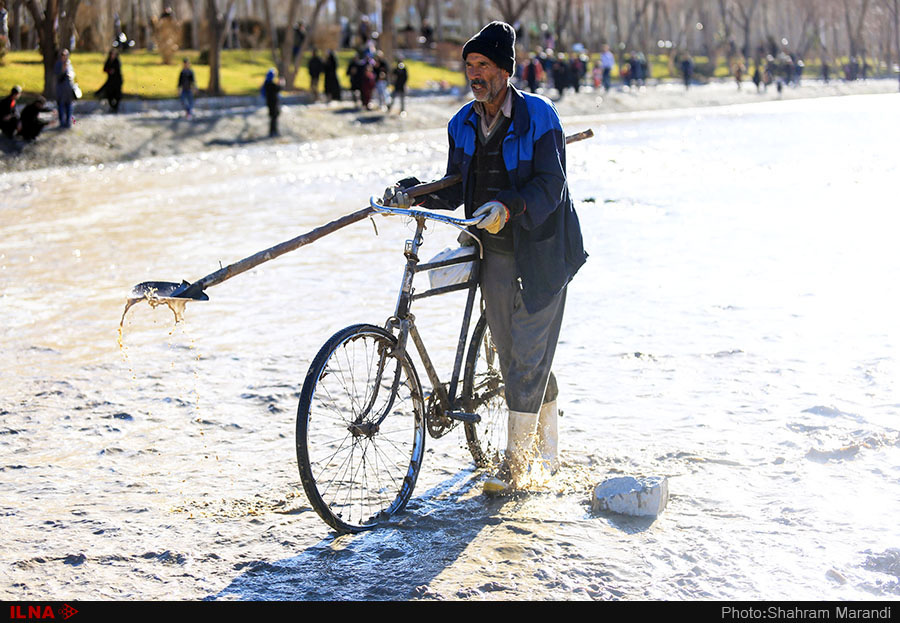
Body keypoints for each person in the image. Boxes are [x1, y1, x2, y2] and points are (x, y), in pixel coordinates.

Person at [385, 21, 587, 494]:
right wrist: (410, 194)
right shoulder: (462, 123)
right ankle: (547, 444)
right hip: (493, 251)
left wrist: (508, 205)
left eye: (484, 66)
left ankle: (518, 469)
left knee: (528, 354)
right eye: (469, 65)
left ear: (505, 70)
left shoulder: (541, 117)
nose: (474, 74)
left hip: (543, 251)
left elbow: (549, 187)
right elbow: (456, 187)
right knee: (512, 353)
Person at [53, 49, 77, 128]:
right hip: (61, 89)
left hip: (68, 89)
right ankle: (62, 122)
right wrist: (63, 69)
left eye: (66, 55)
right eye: (63, 55)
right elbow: (58, 76)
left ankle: (68, 121)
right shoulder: (58, 64)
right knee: (61, 105)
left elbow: (72, 75)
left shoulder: (69, 64)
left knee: (69, 106)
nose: (64, 57)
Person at [97, 47, 123, 113]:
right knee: (109, 94)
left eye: (114, 54)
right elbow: (105, 69)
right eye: (112, 54)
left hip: (117, 80)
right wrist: (109, 71)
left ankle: (115, 108)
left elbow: (117, 70)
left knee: (117, 95)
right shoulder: (108, 61)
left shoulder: (117, 61)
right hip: (110, 81)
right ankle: (112, 107)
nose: (112, 56)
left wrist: (113, 71)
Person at [262, 68, 283, 137]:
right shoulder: (270, 84)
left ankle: (273, 131)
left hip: (269, 102)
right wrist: (281, 83)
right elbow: (279, 88)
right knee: (274, 117)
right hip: (273, 103)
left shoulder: (266, 83)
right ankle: (273, 131)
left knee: (273, 117)